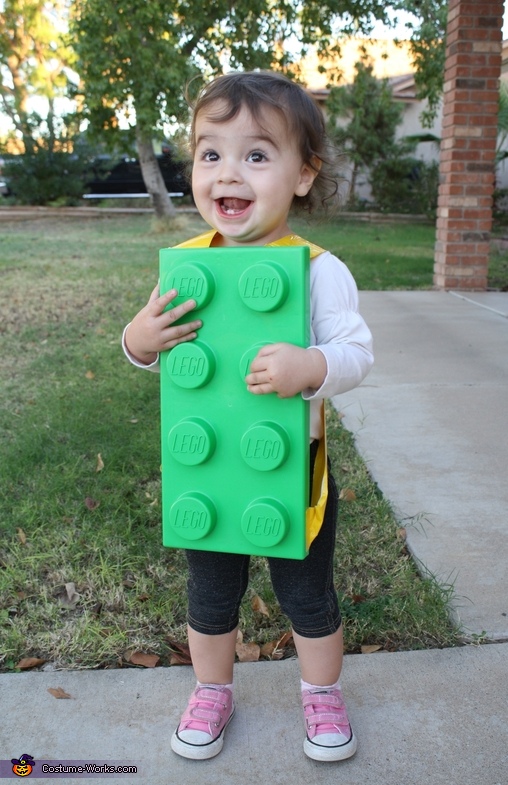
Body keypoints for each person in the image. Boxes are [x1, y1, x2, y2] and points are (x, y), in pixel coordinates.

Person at [122, 71, 373, 763]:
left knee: (308, 596)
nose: (228, 171)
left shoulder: (319, 270)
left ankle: (322, 695)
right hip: (209, 475)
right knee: (209, 595)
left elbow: (356, 353)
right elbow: (147, 346)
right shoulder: (187, 271)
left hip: (293, 477)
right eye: (211, 153)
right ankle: (211, 687)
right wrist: (140, 339)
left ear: (302, 174)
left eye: (257, 155)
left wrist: (309, 366)